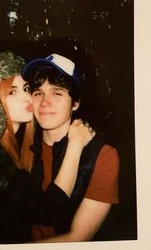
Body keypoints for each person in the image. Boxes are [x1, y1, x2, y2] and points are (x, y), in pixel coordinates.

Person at [0, 51, 95, 244]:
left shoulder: (15, 144)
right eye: (12, 92)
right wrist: (75, 145)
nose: (27, 98)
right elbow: (50, 210)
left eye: (26, 89)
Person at [22, 53, 120, 242]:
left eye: (57, 93)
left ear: (75, 103)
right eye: (38, 93)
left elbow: (78, 238)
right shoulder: (21, 146)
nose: (44, 102)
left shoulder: (103, 155)